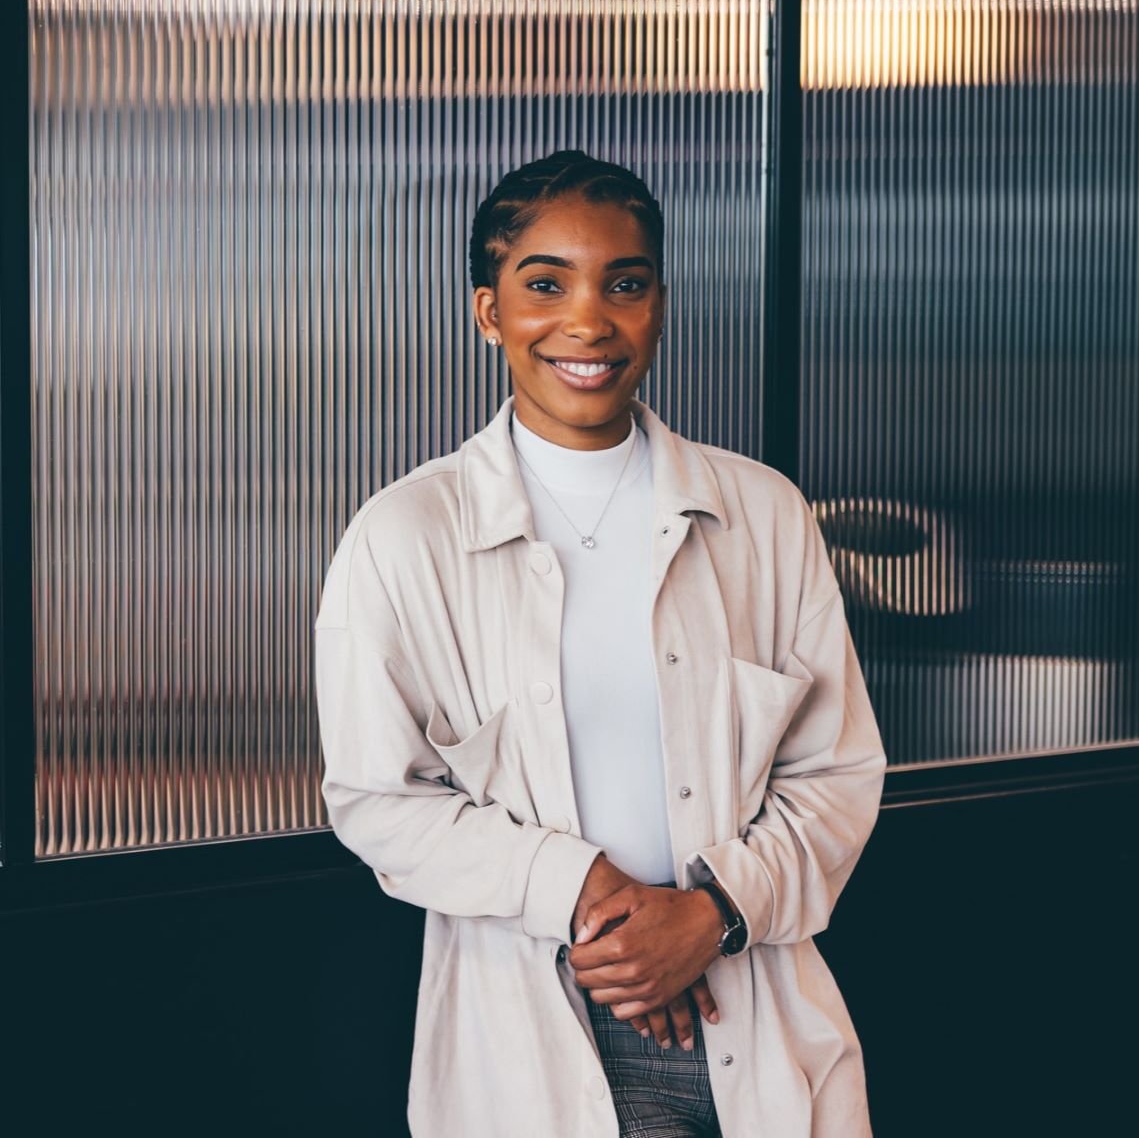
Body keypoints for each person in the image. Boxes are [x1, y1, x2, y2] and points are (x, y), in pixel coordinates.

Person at [314, 150, 887, 1137]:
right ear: (488, 310)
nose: (588, 321)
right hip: (531, 1036)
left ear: (659, 304)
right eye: (545, 285)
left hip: (754, 1015)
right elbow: (378, 800)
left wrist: (706, 920)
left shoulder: (762, 515)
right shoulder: (406, 535)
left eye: (624, 284)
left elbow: (837, 776)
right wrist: (596, 901)